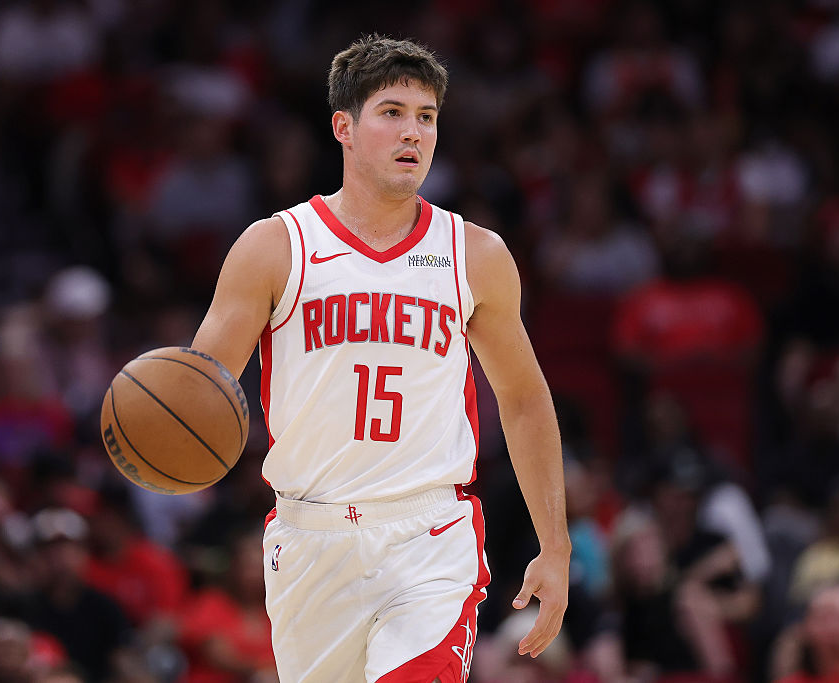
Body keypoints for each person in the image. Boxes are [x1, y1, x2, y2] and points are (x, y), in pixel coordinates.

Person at [189, 35, 569, 683]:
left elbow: (526, 398)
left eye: (427, 117)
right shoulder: (275, 246)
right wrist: (161, 428)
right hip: (312, 538)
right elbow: (196, 392)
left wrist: (554, 544)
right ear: (344, 126)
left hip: (428, 535)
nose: (413, 132)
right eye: (392, 112)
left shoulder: (474, 254)